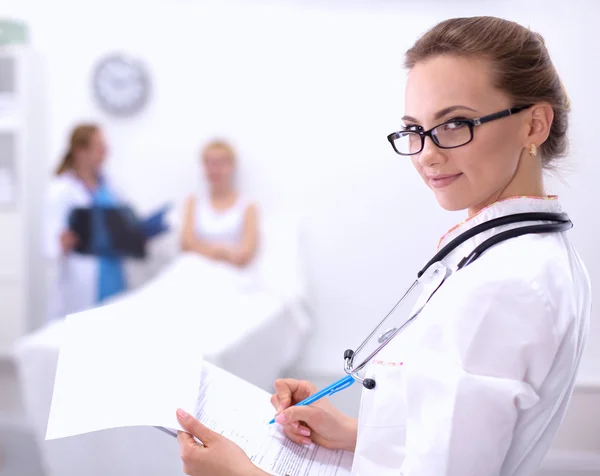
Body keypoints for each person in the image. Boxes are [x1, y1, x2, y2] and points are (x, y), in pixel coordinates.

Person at [174, 16, 591, 476]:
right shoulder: (527, 256)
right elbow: (462, 435)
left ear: (534, 125)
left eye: (454, 124)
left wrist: (242, 473)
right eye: (414, 129)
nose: (428, 153)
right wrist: (356, 434)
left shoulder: (506, 283)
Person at [44, 124, 168, 320]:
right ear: (80, 151)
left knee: (111, 335)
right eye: (100, 147)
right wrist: (61, 243)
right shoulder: (63, 189)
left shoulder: (111, 185)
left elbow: (126, 221)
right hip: (83, 275)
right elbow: (50, 242)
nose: (105, 153)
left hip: (114, 271)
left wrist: (140, 231)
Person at [180, 139, 259, 268]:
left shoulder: (247, 206)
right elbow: (186, 245)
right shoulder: (193, 202)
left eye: (220, 163)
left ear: (232, 166)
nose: (214, 169)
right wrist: (222, 252)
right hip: (194, 268)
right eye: (209, 163)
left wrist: (201, 248)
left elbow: (246, 253)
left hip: (231, 274)